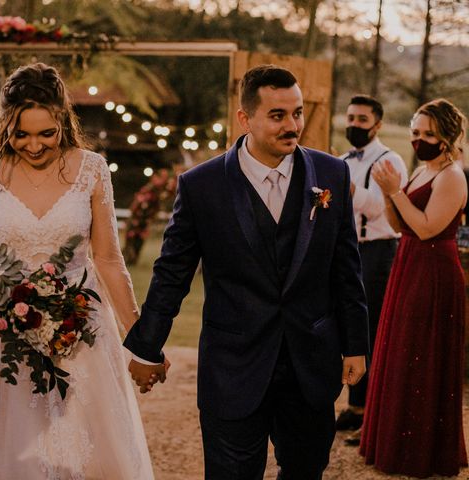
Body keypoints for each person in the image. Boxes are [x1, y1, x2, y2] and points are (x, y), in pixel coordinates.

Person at [124, 64, 369, 479]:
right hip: (232, 366)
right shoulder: (201, 186)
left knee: (306, 470)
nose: (292, 125)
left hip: (310, 364)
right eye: (277, 115)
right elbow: (171, 274)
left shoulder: (332, 174)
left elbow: (346, 268)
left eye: (297, 113)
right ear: (245, 118)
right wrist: (147, 348)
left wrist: (355, 343)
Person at [0, 63, 154, 479]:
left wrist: (140, 340)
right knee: (14, 444)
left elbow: (108, 259)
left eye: (46, 133)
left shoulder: (92, 169)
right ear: (5, 125)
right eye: (21, 134)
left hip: (83, 327)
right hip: (7, 327)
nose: (33, 146)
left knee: (86, 442)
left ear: (63, 120)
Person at [360, 98, 468, 477]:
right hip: (408, 263)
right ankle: (394, 441)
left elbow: (425, 227)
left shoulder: (452, 176)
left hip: (435, 270)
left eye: (429, 134)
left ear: (447, 136)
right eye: (415, 133)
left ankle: (422, 451)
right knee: (400, 348)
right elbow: (398, 223)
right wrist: (389, 191)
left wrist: (396, 191)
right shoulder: (420, 171)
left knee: (422, 352)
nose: (419, 140)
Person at [336, 95, 408, 436]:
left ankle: (370, 411)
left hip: (378, 252)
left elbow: (382, 209)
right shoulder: (340, 160)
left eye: (362, 120)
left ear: (377, 125)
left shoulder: (389, 161)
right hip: (345, 251)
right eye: (350, 118)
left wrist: (347, 189)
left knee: (371, 328)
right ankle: (353, 404)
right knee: (346, 327)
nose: (354, 125)